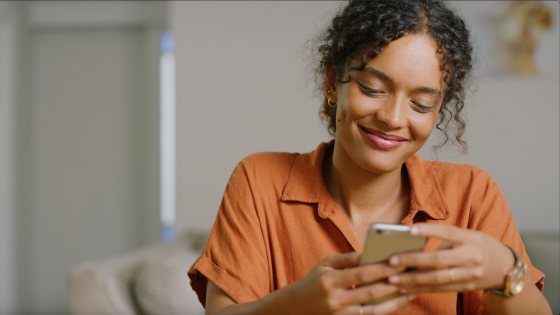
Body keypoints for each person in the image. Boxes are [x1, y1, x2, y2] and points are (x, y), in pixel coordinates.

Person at [188, 0, 552, 314]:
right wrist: (295, 303)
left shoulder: (473, 195)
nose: (393, 118)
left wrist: (508, 271)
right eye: (373, 88)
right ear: (333, 81)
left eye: (421, 104)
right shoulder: (260, 181)